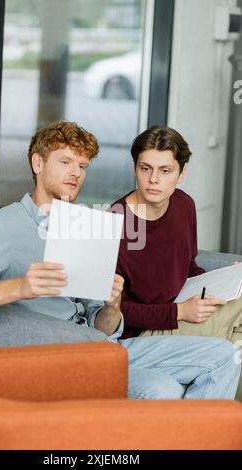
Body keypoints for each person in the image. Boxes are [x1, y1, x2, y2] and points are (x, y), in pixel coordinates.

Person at [0, 121, 240, 400]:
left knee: (223, 355)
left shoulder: (84, 224)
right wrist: (21, 287)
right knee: (160, 388)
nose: (76, 173)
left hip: (104, 344)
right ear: (38, 163)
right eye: (65, 162)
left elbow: (104, 326)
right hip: (63, 354)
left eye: (82, 166)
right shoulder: (4, 225)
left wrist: (112, 305)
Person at [110, 125, 242, 396]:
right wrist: (180, 312)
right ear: (135, 169)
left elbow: (188, 266)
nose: (153, 179)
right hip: (139, 335)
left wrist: (219, 282)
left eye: (165, 170)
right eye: (145, 168)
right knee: (230, 347)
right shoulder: (115, 223)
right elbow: (112, 313)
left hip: (178, 310)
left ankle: (207, 430)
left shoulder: (184, 205)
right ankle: (203, 431)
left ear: (181, 174)